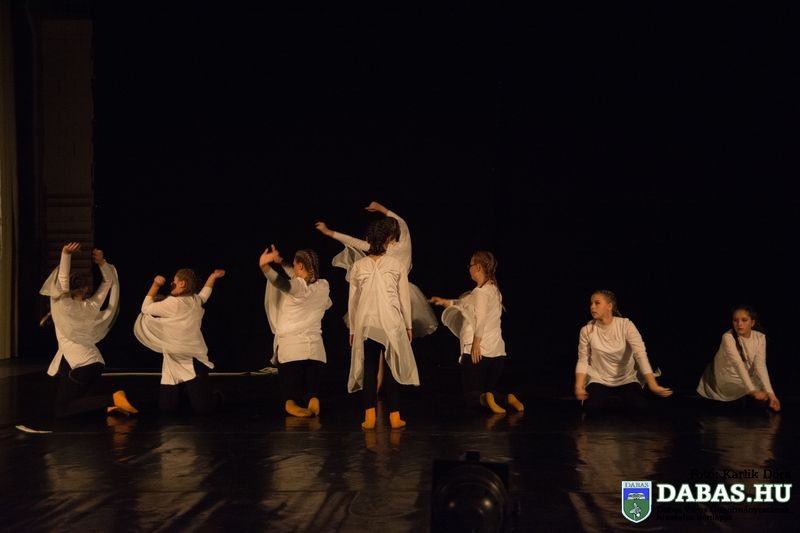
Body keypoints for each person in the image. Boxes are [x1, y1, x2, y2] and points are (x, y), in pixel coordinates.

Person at [315, 201, 437, 392]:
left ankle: (386, 379)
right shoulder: (379, 247)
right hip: (376, 295)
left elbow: (402, 222)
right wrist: (330, 233)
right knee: (378, 337)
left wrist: (381, 208)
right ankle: (379, 381)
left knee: (391, 340)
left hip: (395, 295)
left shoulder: (403, 244)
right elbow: (354, 242)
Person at [39, 242, 137, 418]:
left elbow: (62, 281)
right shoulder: (91, 305)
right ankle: (109, 406)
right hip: (96, 362)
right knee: (76, 396)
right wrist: (102, 263)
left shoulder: (65, 306)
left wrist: (66, 254)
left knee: (62, 410)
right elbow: (108, 282)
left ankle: (112, 399)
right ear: (84, 289)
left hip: (82, 365)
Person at [430, 250, 524, 415]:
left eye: (471, 265)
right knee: (489, 391)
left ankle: (488, 398)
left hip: (478, 353)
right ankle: (508, 398)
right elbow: (464, 303)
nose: (469, 268)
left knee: (470, 396)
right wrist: (445, 301)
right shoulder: (493, 290)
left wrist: (476, 344)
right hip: (497, 354)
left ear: (478, 267)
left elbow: (480, 320)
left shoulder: (480, 292)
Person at [347, 217, 418, 430]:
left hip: (367, 323)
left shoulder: (358, 266)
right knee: (391, 368)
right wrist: (408, 325)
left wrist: (353, 328)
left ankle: (369, 416)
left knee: (370, 367)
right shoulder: (396, 264)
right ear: (387, 240)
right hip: (391, 322)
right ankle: (394, 416)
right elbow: (404, 298)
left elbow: (353, 302)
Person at [134, 267, 225, 416]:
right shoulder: (193, 300)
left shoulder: (178, 302)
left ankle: (215, 396)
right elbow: (205, 293)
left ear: (182, 283)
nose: (172, 284)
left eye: (174, 282)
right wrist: (213, 277)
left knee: (202, 408)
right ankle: (186, 392)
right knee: (167, 408)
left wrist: (156, 285)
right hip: (172, 360)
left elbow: (145, 308)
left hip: (193, 359)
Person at [260, 244, 332, 418]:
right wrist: (282, 262)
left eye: (294, 264)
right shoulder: (323, 286)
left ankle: (291, 403)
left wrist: (264, 266)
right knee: (312, 387)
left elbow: (281, 282)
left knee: (289, 393)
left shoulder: (297, 287)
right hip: (315, 350)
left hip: (292, 349)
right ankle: (313, 398)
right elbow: (296, 275)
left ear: (300, 265)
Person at [574, 290, 672, 415]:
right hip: (599, 378)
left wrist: (653, 385)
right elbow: (583, 360)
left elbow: (640, 355)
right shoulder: (587, 330)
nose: (592, 307)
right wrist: (579, 386)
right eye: (591, 303)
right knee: (592, 407)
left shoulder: (626, 325)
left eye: (597, 303)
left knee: (640, 407)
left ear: (609, 306)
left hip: (626, 378)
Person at [696, 305, 781, 412]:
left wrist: (772, 395)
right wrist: (752, 391)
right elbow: (738, 364)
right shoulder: (728, 337)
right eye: (735, 320)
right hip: (727, 378)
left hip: (746, 377)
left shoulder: (760, 337)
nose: (739, 324)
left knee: (760, 388)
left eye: (744, 320)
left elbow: (760, 365)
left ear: (752, 323)